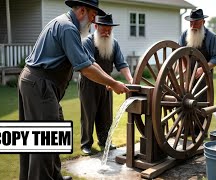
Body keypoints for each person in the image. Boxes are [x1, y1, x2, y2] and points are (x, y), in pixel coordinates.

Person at [18, 0, 129, 179]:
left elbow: (90, 62)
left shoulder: (67, 25)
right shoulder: (68, 28)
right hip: (40, 85)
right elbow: (85, 69)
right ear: (82, 11)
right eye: (93, 16)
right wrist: (114, 83)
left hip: (38, 83)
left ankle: (55, 176)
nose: (94, 22)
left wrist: (109, 81)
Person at [79, 14, 133, 155]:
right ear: (96, 27)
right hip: (89, 83)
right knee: (88, 114)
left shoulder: (114, 43)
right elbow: (92, 65)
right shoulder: (87, 43)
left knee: (106, 114)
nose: (107, 33)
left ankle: (104, 141)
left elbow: (122, 64)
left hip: (107, 84)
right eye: (104, 29)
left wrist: (130, 79)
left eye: (109, 30)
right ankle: (86, 144)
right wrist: (110, 80)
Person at [178, 9, 216, 135]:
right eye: (191, 23)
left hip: (204, 75)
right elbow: (180, 54)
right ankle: (185, 129)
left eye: (196, 23)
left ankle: (199, 131)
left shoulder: (211, 37)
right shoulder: (184, 35)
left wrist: (203, 68)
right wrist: (185, 71)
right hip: (188, 75)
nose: (193, 26)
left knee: (201, 102)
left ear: (203, 21)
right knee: (183, 101)